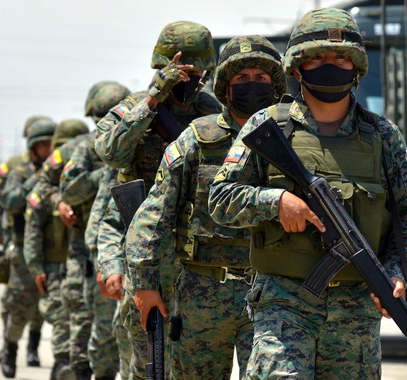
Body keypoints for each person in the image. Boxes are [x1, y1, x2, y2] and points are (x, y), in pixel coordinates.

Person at [209, 8, 407, 379]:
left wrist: (396, 274)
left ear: (356, 68)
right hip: (283, 305)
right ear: (297, 68)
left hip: (355, 316)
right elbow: (220, 199)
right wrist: (275, 201)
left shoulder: (382, 136)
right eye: (319, 58)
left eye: (340, 58)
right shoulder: (269, 126)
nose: (331, 65)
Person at [126, 35, 286, 379]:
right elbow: (153, 217)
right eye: (241, 79)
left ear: (276, 84)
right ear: (225, 87)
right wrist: (145, 283)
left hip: (275, 294)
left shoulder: (294, 138)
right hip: (202, 292)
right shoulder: (196, 138)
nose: (251, 85)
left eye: (261, 78)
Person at [94, 20, 222, 380]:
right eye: (177, 70)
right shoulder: (135, 107)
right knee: (146, 362)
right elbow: (110, 152)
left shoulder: (213, 113)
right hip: (144, 255)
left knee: (193, 364)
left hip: (195, 259)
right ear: (161, 66)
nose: (185, 79)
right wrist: (152, 100)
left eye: (194, 72)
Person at [60, 81, 130, 380]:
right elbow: (68, 189)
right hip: (99, 246)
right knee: (99, 326)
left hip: (132, 245)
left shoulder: (137, 141)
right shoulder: (86, 147)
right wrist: (104, 171)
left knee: (124, 330)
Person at [23, 119, 90, 380]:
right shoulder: (45, 190)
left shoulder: (88, 180)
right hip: (53, 264)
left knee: (82, 318)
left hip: (81, 262)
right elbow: (32, 226)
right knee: (62, 316)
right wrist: (35, 266)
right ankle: (62, 364)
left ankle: (73, 364)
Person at [0, 118, 56, 377]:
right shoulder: (20, 172)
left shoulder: (57, 171)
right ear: (33, 147)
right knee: (20, 305)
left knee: (41, 306)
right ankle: (10, 350)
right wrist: (34, 182)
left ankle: (33, 348)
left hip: (50, 249)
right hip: (22, 250)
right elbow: (10, 202)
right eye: (42, 145)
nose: (47, 149)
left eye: (50, 144)